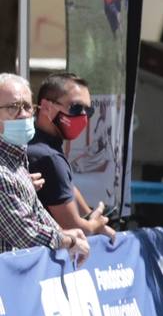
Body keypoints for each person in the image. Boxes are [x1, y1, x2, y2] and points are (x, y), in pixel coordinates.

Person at [0, 73, 90, 261]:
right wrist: (68, 240)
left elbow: (38, 212)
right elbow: (24, 232)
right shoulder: (6, 168)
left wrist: (66, 234)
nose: (23, 114)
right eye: (13, 107)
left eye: (27, 107)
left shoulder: (18, 160)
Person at [28, 71, 113, 240]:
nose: (83, 116)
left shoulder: (33, 141)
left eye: (88, 110)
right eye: (75, 107)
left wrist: (89, 215)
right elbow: (76, 228)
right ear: (46, 107)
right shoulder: (49, 157)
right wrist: (96, 224)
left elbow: (65, 186)